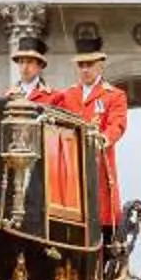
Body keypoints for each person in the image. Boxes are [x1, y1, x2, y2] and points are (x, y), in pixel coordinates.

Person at [57, 45, 130, 228]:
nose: (85, 69)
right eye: (81, 65)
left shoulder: (114, 95)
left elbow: (118, 124)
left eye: (89, 64)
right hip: (70, 163)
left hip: (99, 163)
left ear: (100, 66)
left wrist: (104, 138)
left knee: (100, 212)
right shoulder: (67, 95)